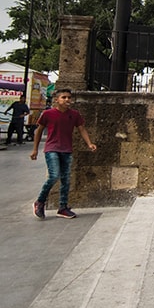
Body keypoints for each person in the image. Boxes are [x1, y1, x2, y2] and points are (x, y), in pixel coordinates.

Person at [30, 89, 97, 219]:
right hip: (52, 148)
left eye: (69, 98)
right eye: (64, 97)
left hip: (66, 149)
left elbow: (81, 128)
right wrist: (35, 149)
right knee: (54, 176)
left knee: (66, 179)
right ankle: (40, 201)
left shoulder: (74, 114)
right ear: (56, 100)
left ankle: (63, 207)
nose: (67, 100)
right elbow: (38, 131)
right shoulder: (48, 114)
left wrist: (89, 143)